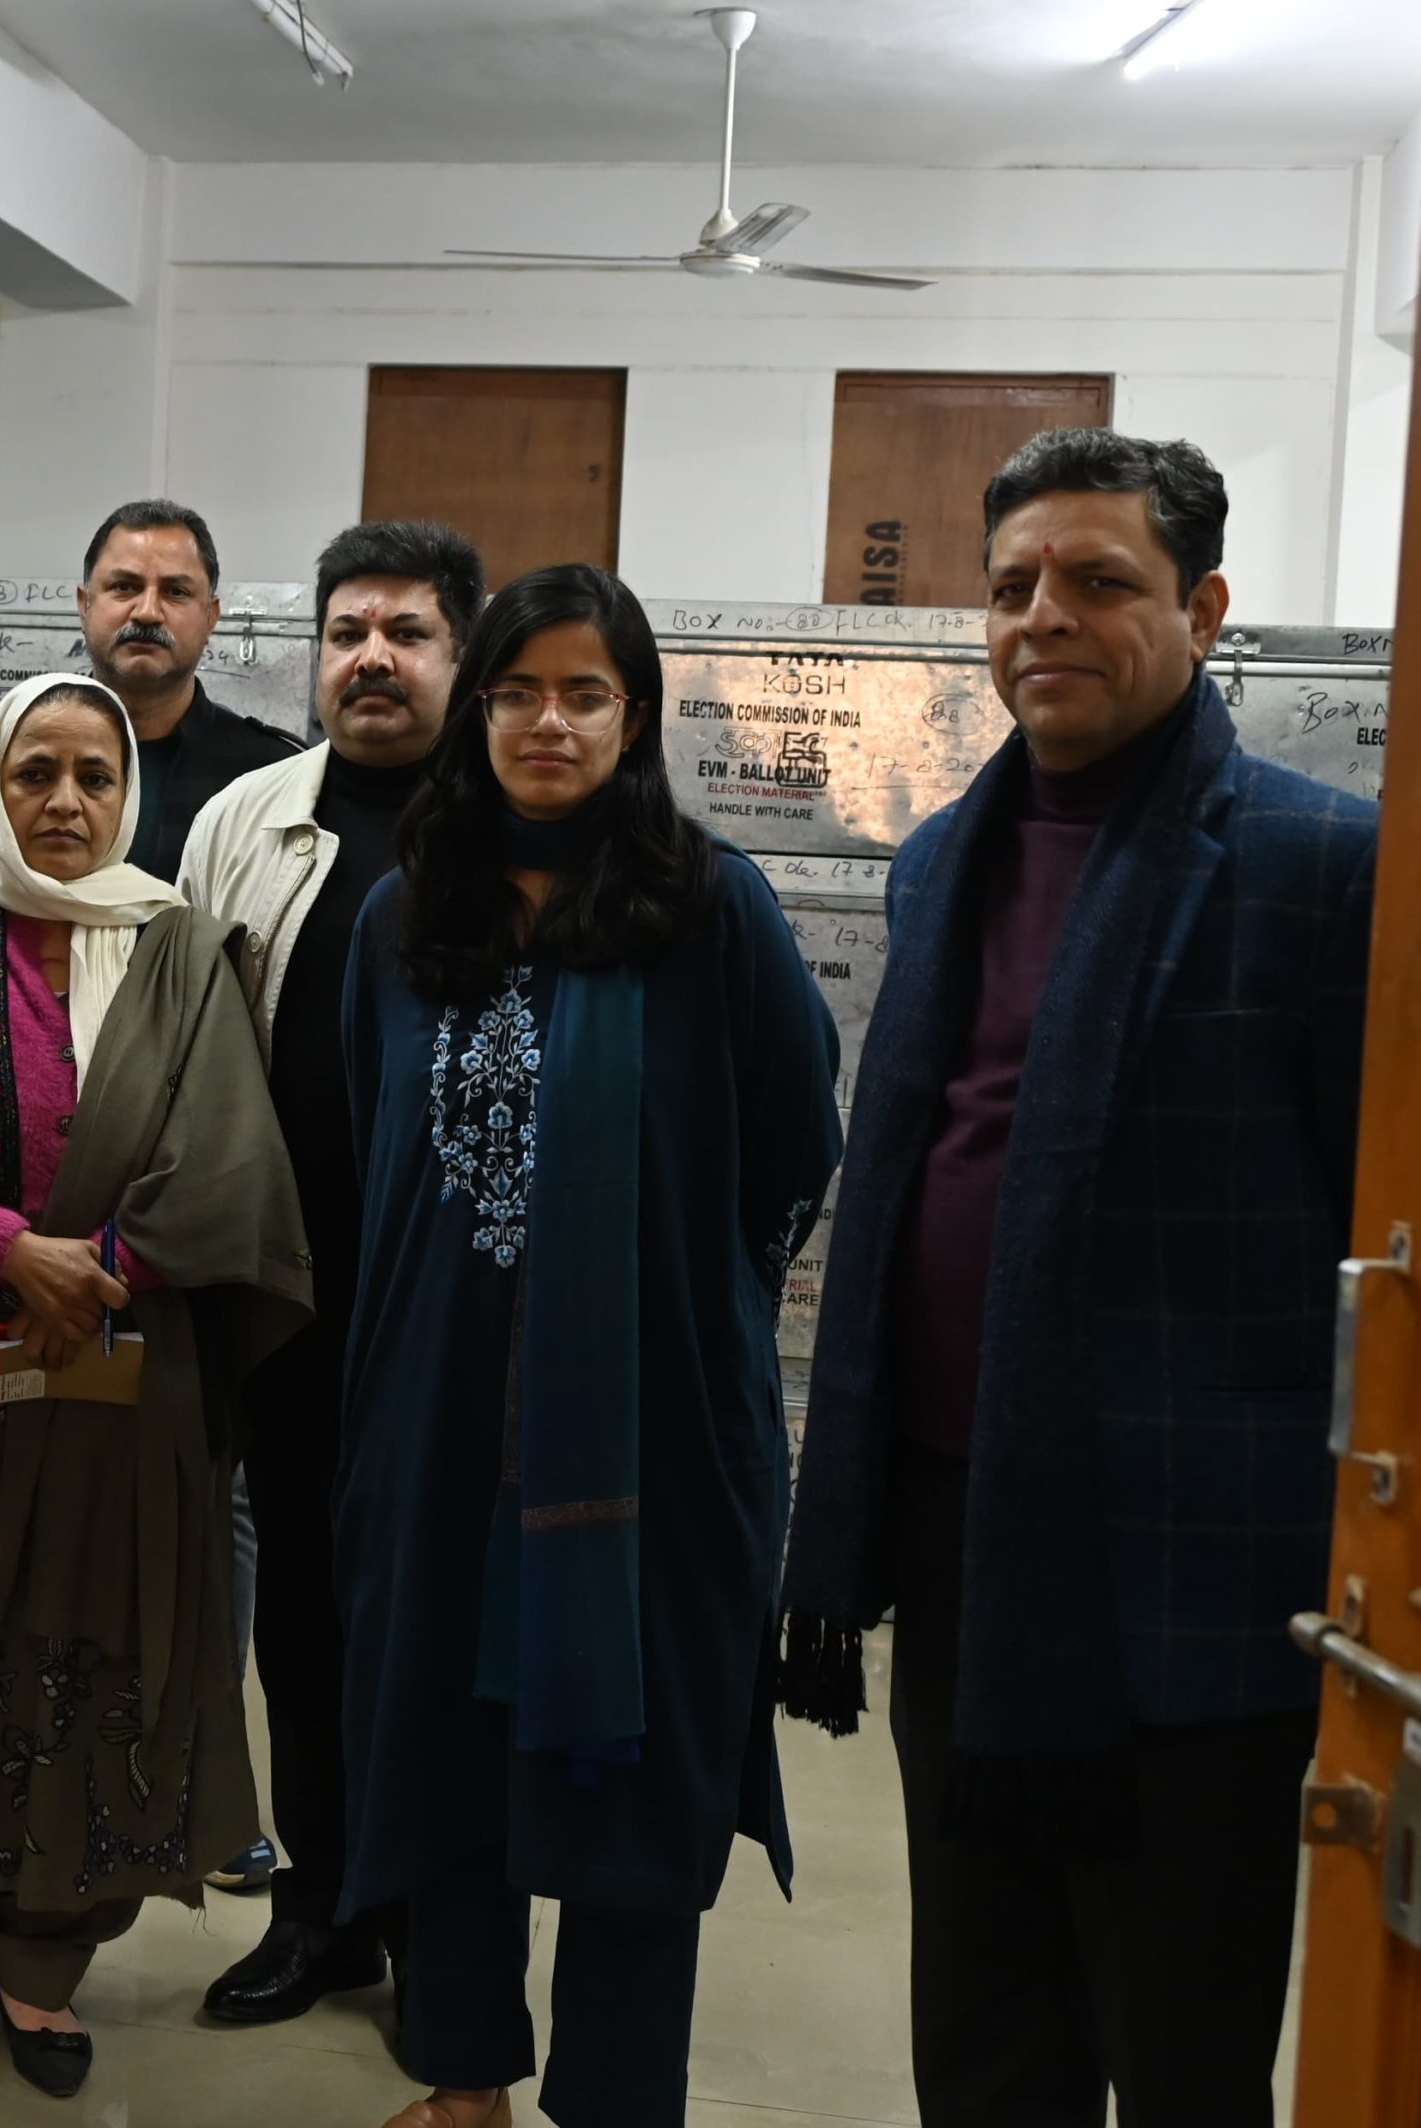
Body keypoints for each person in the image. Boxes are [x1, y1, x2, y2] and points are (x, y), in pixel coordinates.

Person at [779, 431, 1377, 2128]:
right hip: (960, 1526)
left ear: (1205, 608)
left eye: (1099, 581)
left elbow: (1378, 1241)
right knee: (985, 2019)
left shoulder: (1322, 864)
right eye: (1014, 585)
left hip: (1197, 1558)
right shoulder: (939, 859)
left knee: (1181, 2039)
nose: (1043, 616)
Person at [339, 565, 842, 2128]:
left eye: (583, 693)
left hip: (651, 1435)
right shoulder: (407, 912)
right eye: (516, 692)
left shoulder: (708, 908)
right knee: (448, 1755)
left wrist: (668, 1305)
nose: (546, 723)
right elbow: (373, 1143)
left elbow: (795, 1143)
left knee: (637, 1771)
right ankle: (463, 2079)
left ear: (637, 718)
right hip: (437, 1425)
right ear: (477, 711)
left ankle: (618, 2100)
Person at [0, 671, 312, 2100]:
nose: (63, 801)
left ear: (129, 795)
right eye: (31, 771)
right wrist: (7, 1250)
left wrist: (95, 1265)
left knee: (87, 1669)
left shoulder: (183, 949)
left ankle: (46, 1961)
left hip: (118, 1379)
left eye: (93, 776)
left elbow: (227, 1161)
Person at [177, 519, 485, 2028]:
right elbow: (180, 1049)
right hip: (293, 1299)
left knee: (441, 1625)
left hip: (461, 1312)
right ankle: (323, 1910)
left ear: (462, 656)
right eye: (348, 630)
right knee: (302, 1615)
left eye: (407, 633)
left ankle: (439, 1925)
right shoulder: (245, 821)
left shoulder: (513, 819)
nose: (372, 658)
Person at [0, 499, 301, 885]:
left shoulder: (270, 773)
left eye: (175, 592)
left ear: (211, 617)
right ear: (84, 605)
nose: (147, 612)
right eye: (124, 587)